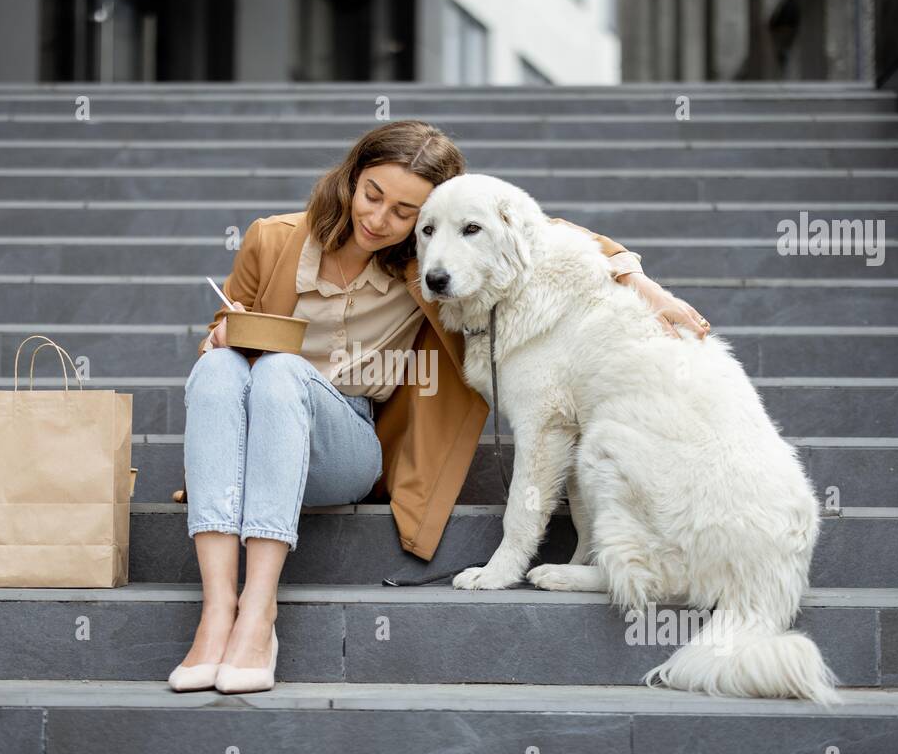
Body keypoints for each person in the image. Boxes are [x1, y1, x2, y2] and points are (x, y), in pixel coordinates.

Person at [169, 120, 710, 694]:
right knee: (219, 366)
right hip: (259, 443)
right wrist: (220, 335)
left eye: (405, 212)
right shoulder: (271, 240)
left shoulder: (422, 265)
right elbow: (225, 325)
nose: (379, 220)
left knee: (280, 371)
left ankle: (259, 613)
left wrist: (645, 284)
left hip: (344, 446)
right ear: (351, 177)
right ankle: (216, 610)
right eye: (372, 195)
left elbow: (541, 228)